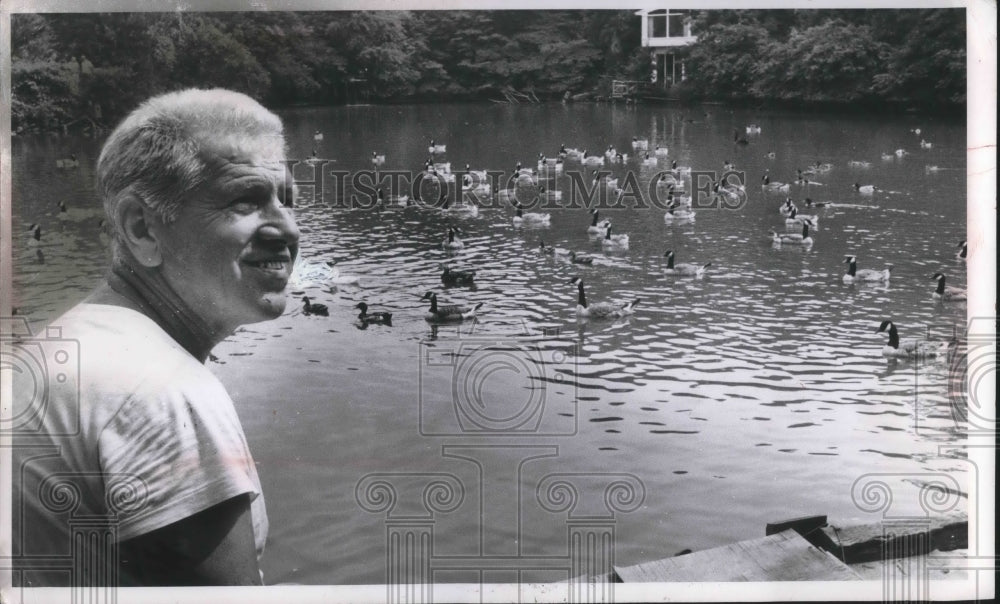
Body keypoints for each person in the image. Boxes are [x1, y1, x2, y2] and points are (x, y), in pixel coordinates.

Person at [12, 89, 299, 586]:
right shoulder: (162, 393)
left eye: (288, 200)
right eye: (246, 200)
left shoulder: (58, 346)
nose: (287, 229)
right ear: (142, 228)